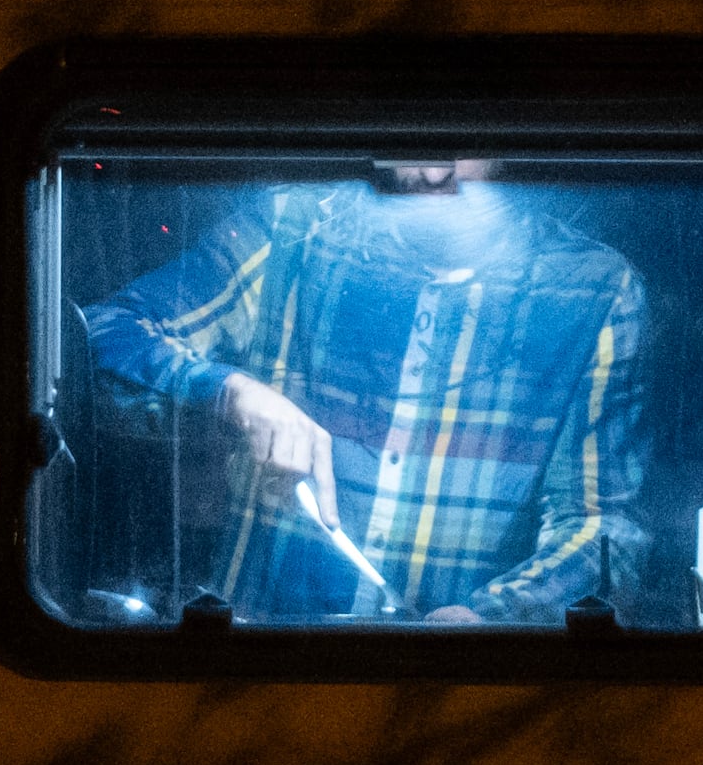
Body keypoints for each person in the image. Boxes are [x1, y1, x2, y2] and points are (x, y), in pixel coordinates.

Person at [72, 163, 647, 624]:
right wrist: (232, 393)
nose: (429, 176)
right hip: (257, 666)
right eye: (412, 148)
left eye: (459, 145)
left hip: (465, 687)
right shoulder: (293, 228)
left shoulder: (593, 288)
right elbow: (99, 336)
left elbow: (602, 525)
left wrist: (491, 617)